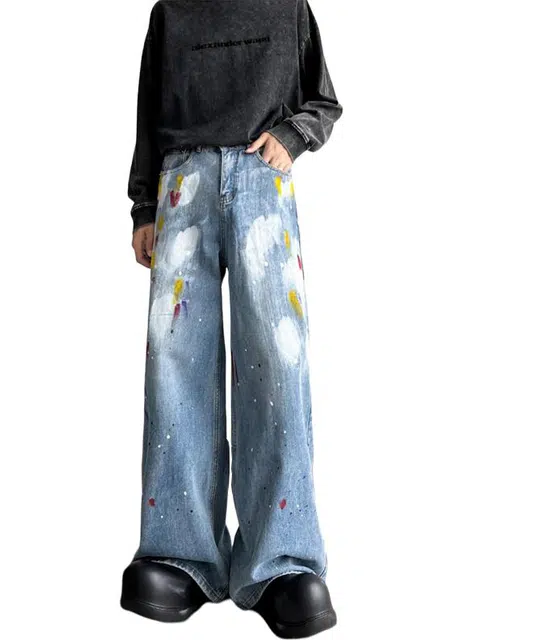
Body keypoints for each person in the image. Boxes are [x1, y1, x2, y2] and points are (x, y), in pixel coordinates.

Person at [120, 0, 343, 636]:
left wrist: (293, 137)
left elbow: (323, 100)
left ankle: (282, 560)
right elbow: (148, 113)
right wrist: (143, 206)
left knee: (277, 365)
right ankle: (179, 553)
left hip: (262, 182)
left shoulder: (288, 6)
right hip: (181, 183)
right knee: (175, 365)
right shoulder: (171, 11)